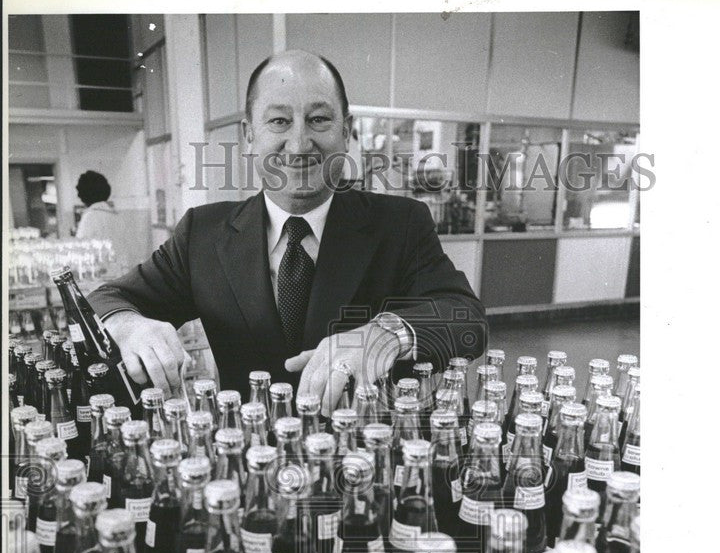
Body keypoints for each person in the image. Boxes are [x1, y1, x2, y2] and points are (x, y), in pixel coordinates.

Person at [88, 50, 486, 409]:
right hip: (247, 460)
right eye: (279, 121)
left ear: (345, 133)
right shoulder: (203, 234)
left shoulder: (399, 224)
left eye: (318, 120)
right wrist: (129, 325)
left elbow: (468, 319)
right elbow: (106, 299)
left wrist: (382, 337)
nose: (298, 144)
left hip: (363, 461)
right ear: (249, 135)